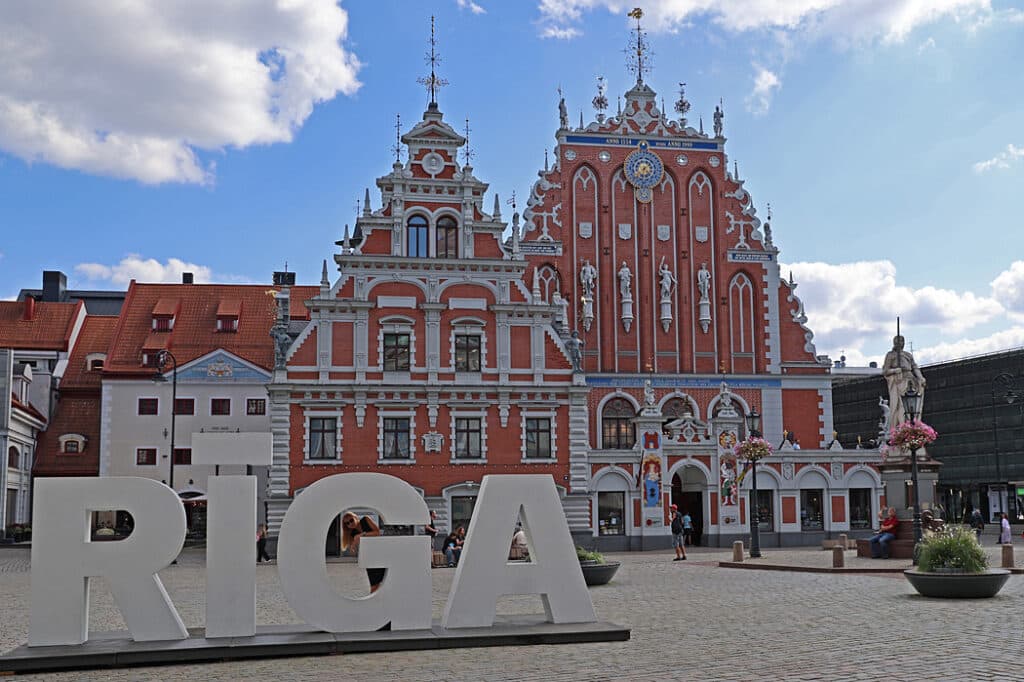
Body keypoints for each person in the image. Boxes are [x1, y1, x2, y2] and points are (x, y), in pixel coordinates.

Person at [882, 334, 926, 428]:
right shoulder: (891, 355)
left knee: (913, 404)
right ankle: (903, 426)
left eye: (902, 341)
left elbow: (915, 367)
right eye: (898, 341)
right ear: (894, 343)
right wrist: (895, 370)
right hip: (899, 381)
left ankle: (912, 424)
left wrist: (921, 377)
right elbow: (885, 371)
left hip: (911, 379)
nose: (900, 343)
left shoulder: (908, 355)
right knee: (902, 405)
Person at [341, 511, 385, 593]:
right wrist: (353, 545)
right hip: (370, 558)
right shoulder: (353, 533)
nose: (350, 524)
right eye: (347, 523)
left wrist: (361, 535)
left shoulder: (366, 519)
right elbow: (355, 547)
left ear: (355, 518)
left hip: (381, 554)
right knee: (374, 585)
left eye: (351, 520)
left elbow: (377, 532)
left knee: (385, 581)